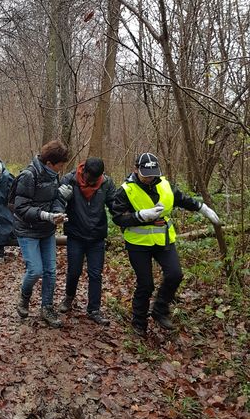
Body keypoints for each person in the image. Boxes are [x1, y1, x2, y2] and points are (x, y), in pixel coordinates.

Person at [112, 152, 220, 338]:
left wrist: (203, 209)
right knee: (145, 284)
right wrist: (141, 216)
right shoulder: (125, 190)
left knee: (175, 274)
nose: (149, 178)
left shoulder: (165, 185)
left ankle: (160, 309)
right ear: (136, 169)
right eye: (145, 174)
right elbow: (118, 218)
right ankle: (139, 323)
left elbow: (184, 200)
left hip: (164, 240)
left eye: (153, 173)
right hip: (138, 244)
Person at [13, 140, 70, 329]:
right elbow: (20, 207)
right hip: (27, 229)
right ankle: (24, 297)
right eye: (60, 165)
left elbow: (56, 199)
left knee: (50, 272)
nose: (62, 169)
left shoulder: (53, 176)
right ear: (49, 163)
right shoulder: (28, 176)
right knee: (35, 270)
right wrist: (45, 215)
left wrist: (57, 213)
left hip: (47, 230)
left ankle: (47, 307)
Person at [58, 157, 116, 325]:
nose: (92, 182)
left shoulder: (106, 183)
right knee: (74, 271)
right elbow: (58, 204)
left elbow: (114, 205)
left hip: (97, 236)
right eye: (90, 178)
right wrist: (62, 199)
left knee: (95, 274)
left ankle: (94, 309)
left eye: (96, 179)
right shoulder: (70, 180)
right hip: (76, 235)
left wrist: (125, 216)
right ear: (83, 172)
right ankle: (68, 298)